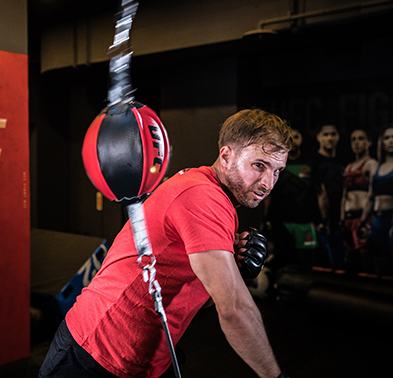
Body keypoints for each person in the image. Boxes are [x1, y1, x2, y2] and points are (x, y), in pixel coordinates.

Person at [38, 109, 292, 378]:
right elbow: (233, 309)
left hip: (142, 358)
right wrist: (275, 376)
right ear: (227, 156)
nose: (268, 183)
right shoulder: (203, 196)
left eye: (277, 171)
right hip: (94, 350)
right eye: (259, 165)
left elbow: (197, 299)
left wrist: (233, 269)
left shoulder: (216, 198)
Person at [263, 127, 320, 268]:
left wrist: (319, 219)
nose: (293, 141)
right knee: (284, 260)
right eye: (289, 138)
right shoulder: (276, 164)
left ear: (302, 139)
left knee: (306, 263)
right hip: (282, 222)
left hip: (304, 221)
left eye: (296, 136)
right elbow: (268, 194)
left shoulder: (311, 162)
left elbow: (319, 193)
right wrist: (265, 218)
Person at [340, 129, 377, 273]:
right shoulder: (349, 167)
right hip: (348, 219)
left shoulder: (371, 164)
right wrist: (342, 219)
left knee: (366, 260)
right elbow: (344, 195)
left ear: (369, 142)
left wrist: (364, 220)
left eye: (361, 139)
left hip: (363, 218)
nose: (356, 143)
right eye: (353, 139)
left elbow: (373, 194)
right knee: (351, 260)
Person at [358, 123, 393, 275]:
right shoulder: (377, 168)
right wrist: (363, 222)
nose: (391, 141)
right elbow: (371, 197)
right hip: (377, 221)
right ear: (382, 142)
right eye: (387, 138)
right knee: (379, 264)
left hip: (391, 220)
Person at [312, 123, 346, 268]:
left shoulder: (344, 161)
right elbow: (317, 193)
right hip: (321, 224)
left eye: (333, 134)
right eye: (326, 134)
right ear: (318, 137)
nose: (330, 138)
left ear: (338, 137)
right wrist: (320, 220)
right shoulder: (313, 162)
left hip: (342, 221)